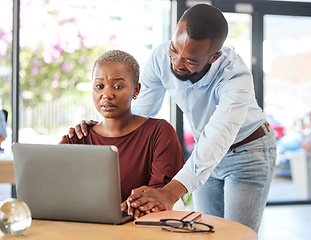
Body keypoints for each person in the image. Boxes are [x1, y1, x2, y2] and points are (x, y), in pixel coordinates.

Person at [69, 4, 276, 232]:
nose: (176, 63)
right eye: (174, 50)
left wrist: (171, 192)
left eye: (190, 60)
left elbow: (218, 135)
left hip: (248, 151)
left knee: (236, 234)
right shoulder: (160, 58)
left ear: (214, 56)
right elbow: (139, 114)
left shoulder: (235, 78)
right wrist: (99, 128)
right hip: (203, 152)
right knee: (207, 233)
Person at [61, 50, 184, 209]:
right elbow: (54, 187)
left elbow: (157, 197)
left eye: (118, 86)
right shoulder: (78, 138)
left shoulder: (159, 132)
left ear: (136, 90)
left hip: (141, 229)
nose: (107, 94)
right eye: (99, 86)